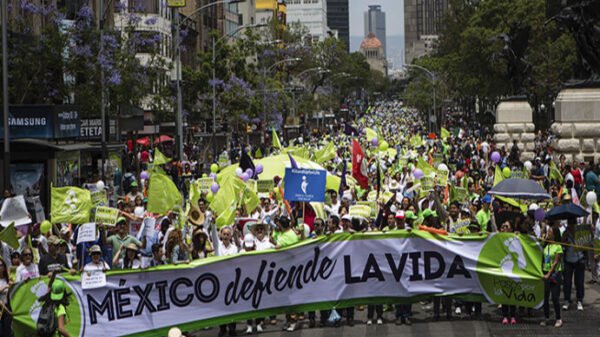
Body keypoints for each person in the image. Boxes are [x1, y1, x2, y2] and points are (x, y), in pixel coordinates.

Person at [541, 225, 563, 328]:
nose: (548, 233)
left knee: (554, 297)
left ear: (554, 234)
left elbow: (555, 262)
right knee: (545, 297)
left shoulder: (558, 246)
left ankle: (558, 318)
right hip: (545, 272)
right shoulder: (546, 246)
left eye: (549, 231)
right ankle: (546, 317)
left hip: (554, 274)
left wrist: (549, 274)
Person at [561, 221, 585, 312]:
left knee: (579, 282)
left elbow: (585, 245)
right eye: (570, 223)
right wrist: (565, 239)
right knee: (567, 282)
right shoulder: (565, 233)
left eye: (572, 223)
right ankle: (567, 300)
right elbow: (562, 244)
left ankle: (579, 300)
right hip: (568, 260)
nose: (571, 225)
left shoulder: (580, 232)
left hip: (579, 259)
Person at [499, 221, 517, 325]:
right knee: (505, 293)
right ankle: (505, 315)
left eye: (506, 226)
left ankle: (513, 315)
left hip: (513, 269)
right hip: (503, 269)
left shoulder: (515, 238)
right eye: (503, 226)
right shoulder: (497, 238)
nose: (504, 228)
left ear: (511, 229)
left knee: (513, 293)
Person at [0, 257, 12, 336]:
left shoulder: (7, 279)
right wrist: (5, 287)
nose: (0, 267)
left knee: (7, 332)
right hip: (1, 309)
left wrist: (11, 285)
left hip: (8, 306)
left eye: (1, 265)